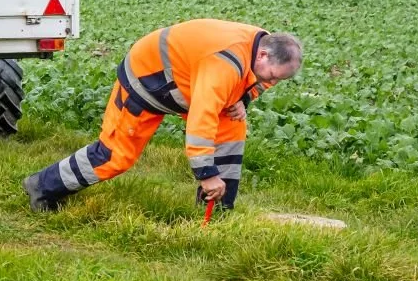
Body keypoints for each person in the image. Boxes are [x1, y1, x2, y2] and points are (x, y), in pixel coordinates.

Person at [23, 18, 302, 213]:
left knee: (231, 126)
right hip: (146, 82)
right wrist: (206, 174)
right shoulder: (225, 63)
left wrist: (242, 98)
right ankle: (42, 186)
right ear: (263, 55)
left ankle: (216, 211)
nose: (271, 83)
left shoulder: (262, 48)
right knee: (114, 156)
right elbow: (200, 122)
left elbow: (256, 81)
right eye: (272, 76)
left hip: (185, 83)